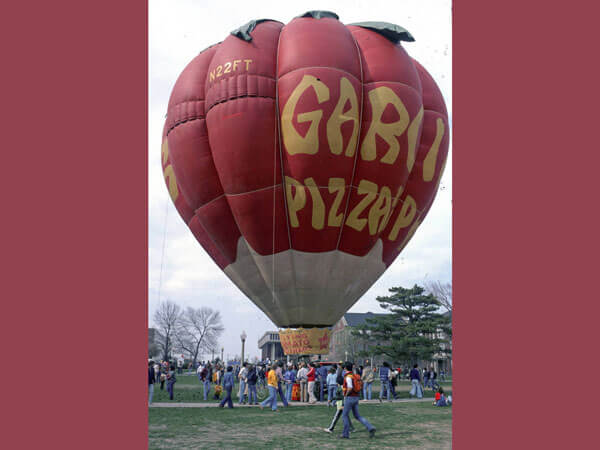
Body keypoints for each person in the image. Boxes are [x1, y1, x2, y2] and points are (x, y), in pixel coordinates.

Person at [340, 362, 376, 439]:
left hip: (350, 397)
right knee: (357, 416)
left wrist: (346, 395)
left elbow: (349, 387)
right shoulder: (354, 375)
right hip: (356, 397)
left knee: (344, 415)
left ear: (345, 368)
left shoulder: (348, 377)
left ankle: (345, 434)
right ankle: (370, 427)